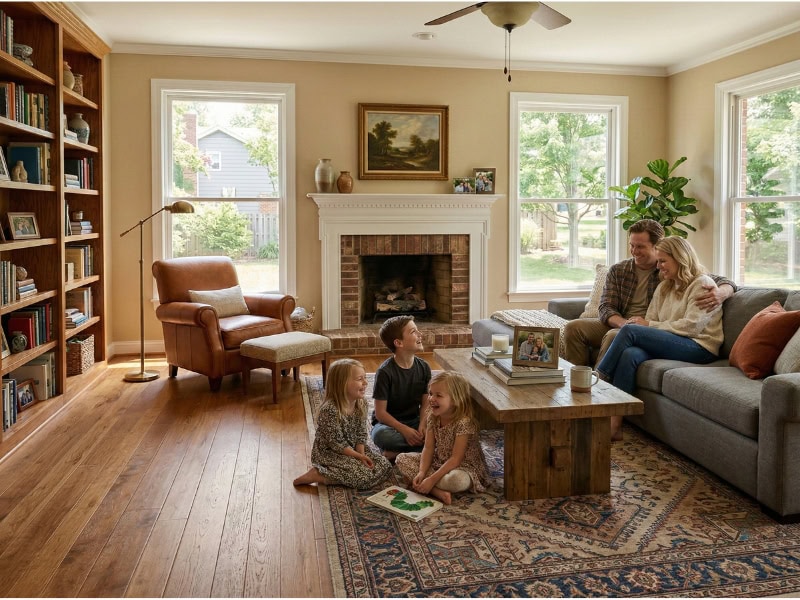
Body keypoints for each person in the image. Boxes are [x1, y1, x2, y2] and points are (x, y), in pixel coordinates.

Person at [597, 237, 724, 440]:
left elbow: (691, 327)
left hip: (699, 346)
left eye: (663, 261)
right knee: (630, 354)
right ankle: (614, 425)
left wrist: (649, 326)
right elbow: (652, 318)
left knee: (629, 330)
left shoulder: (703, 285)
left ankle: (597, 379)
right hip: (672, 340)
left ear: (680, 258)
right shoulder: (665, 286)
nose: (659, 267)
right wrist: (650, 325)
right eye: (658, 261)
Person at [564, 219, 736, 368]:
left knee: (616, 336)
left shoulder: (670, 270)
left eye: (640, 246)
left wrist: (722, 293)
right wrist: (623, 324)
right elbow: (606, 307)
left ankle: (600, 385)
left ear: (656, 246)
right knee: (574, 327)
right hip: (622, 322)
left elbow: (708, 278)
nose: (634, 251)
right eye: (632, 245)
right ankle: (578, 379)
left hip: (646, 328)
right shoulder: (619, 270)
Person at [293, 358, 392, 488]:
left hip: (352, 449)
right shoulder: (330, 410)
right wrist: (359, 458)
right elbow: (337, 444)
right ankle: (319, 474)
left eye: (365, 378)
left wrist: (361, 455)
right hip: (331, 453)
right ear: (342, 384)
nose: (365, 383)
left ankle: (333, 474)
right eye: (359, 379)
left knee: (385, 466)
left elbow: (361, 434)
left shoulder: (361, 403)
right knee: (361, 477)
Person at [395, 371, 489, 505]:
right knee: (401, 459)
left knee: (456, 481)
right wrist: (422, 472)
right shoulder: (432, 417)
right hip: (439, 461)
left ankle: (429, 484)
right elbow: (428, 448)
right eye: (431, 393)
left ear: (456, 400)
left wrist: (432, 479)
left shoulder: (464, 423)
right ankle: (435, 491)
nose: (431, 398)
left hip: (463, 467)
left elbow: (456, 459)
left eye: (438, 395)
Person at [370, 315, 432, 461]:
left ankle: (398, 453)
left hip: (415, 420)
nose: (420, 334)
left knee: (441, 428)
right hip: (389, 424)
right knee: (381, 436)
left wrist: (422, 424)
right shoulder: (385, 372)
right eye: (413, 332)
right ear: (398, 342)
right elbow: (380, 413)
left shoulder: (424, 367)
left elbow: (426, 403)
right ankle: (426, 449)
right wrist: (404, 431)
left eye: (417, 330)